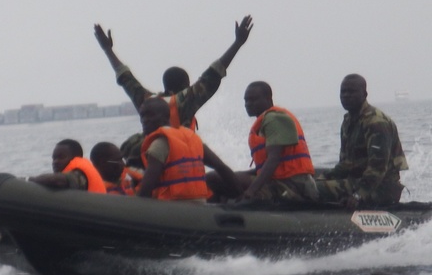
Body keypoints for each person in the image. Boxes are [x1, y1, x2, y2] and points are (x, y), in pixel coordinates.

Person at [93, 15, 254, 166]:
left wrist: (108, 50)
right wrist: (238, 43)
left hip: (147, 159)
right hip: (176, 160)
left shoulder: (147, 101)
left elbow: (126, 78)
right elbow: (213, 74)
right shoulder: (186, 100)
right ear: (186, 84)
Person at [207, 81, 318, 203]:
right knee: (225, 178)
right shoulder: (265, 121)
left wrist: (251, 191)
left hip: (293, 185)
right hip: (281, 180)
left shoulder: (274, 119)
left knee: (212, 178)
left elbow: (273, 159)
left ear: (268, 99)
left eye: (253, 100)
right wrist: (233, 175)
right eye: (246, 101)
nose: (248, 104)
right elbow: (267, 166)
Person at [314, 74, 408, 208]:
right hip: (357, 181)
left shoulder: (376, 122)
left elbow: (378, 168)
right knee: (311, 184)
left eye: (351, 91)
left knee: (312, 191)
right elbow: (346, 164)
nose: (346, 95)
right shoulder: (348, 121)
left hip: (382, 188)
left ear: (364, 94)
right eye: (343, 92)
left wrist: (359, 195)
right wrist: (323, 177)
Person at [134, 98, 238, 201]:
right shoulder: (193, 139)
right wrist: (241, 195)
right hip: (200, 206)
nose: (145, 120)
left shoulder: (159, 144)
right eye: (142, 116)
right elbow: (221, 167)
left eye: (150, 115)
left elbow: (146, 189)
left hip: (171, 210)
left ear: (166, 116)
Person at [29, 139, 106, 193]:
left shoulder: (79, 174)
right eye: (54, 158)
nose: (55, 162)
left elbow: (57, 181)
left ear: (76, 158)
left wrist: (28, 180)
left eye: (61, 157)